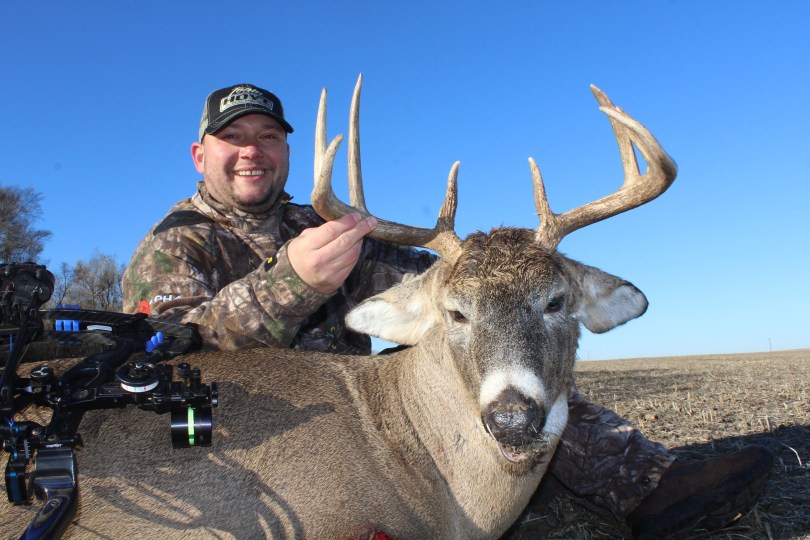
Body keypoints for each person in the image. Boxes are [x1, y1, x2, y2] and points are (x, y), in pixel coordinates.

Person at [122, 83, 773, 539]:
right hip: (253, 435)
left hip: (371, 423)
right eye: (233, 138)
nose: (252, 150)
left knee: (510, 345)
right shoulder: (173, 246)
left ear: (286, 151)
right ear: (200, 155)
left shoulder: (331, 227)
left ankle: (646, 483)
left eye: (267, 136)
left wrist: (507, 267)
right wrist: (291, 282)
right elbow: (163, 354)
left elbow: (452, 284)